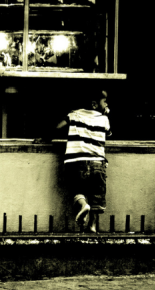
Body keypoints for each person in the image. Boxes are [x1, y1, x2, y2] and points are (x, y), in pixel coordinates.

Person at [35, 89, 112, 233]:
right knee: (97, 194)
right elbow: (109, 133)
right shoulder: (104, 119)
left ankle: (83, 205)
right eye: (105, 101)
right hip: (98, 163)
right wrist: (105, 114)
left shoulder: (74, 114)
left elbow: (57, 127)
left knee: (76, 189)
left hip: (76, 162)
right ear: (94, 104)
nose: (107, 104)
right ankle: (93, 226)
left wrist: (45, 138)